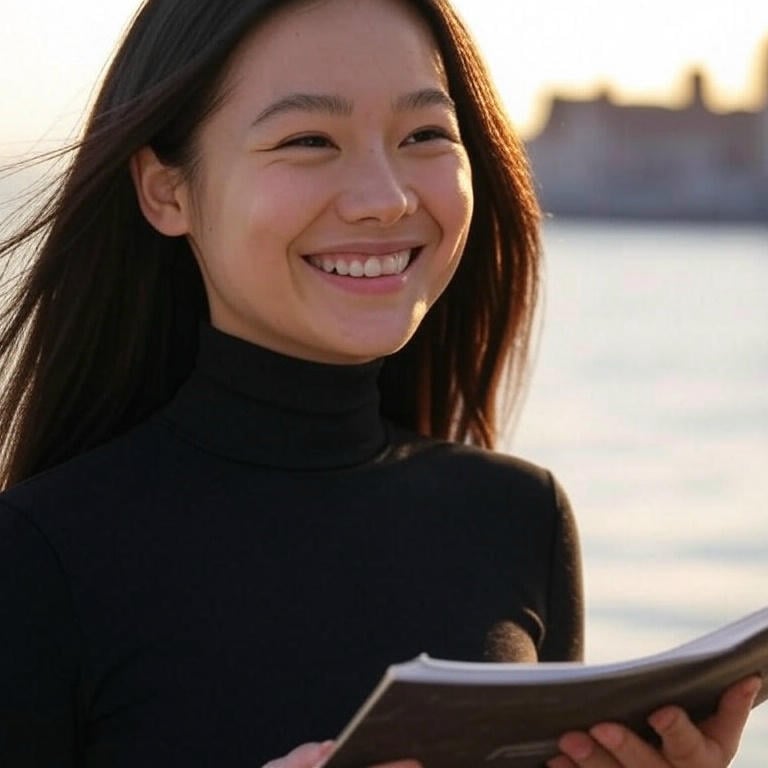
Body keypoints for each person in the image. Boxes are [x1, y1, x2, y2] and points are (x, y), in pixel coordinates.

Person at [0, 0, 759, 766]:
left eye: (425, 135)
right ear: (168, 192)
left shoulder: (519, 519)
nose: (387, 197)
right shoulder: (36, 559)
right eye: (308, 140)